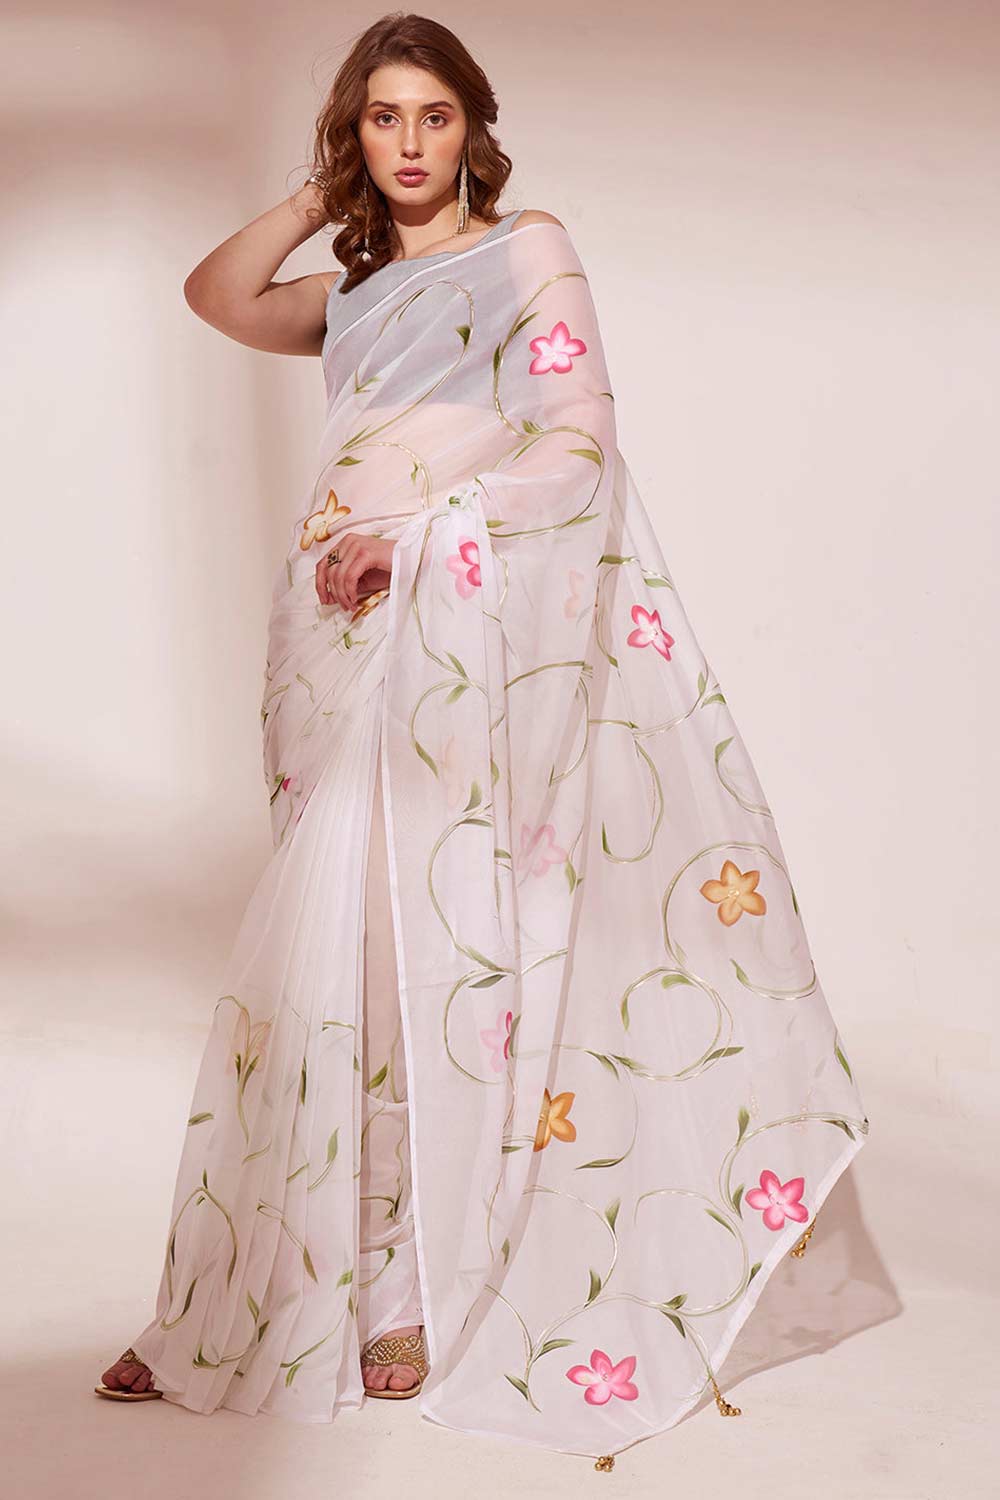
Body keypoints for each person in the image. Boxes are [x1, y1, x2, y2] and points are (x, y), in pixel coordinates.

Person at [95, 12, 869, 1472]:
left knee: (425, 949)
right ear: (353, 132)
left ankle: (405, 1290)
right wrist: (321, 195)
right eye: (380, 116)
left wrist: (428, 538)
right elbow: (217, 293)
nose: (408, 142)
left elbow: (579, 439)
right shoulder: (357, 291)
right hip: (323, 639)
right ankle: (249, 1287)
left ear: (475, 128)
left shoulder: (526, 252)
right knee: (318, 963)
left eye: (432, 115)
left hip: (445, 628)